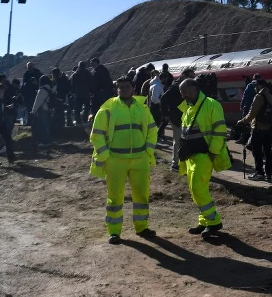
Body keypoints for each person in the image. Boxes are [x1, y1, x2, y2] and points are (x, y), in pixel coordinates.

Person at [88, 76, 158, 245]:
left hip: (139, 159)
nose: (124, 89)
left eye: (127, 86)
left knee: (142, 195)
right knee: (115, 197)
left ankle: (142, 227)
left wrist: (148, 151)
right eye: (121, 87)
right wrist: (106, 157)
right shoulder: (107, 109)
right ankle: (114, 232)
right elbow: (96, 135)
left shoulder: (142, 108)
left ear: (133, 88)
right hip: (116, 160)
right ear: (116, 90)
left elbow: (152, 130)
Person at [177, 77, 231, 239]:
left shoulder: (211, 105)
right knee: (195, 191)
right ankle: (205, 221)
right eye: (181, 92)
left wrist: (213, 152)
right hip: (191, 156)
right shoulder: (188, 107)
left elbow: (220, 130)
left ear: (195, 88)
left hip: (204, 155)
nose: (183, 95)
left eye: (185, 91)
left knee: (198, 188)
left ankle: (214, 222)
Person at [237, 78, 272, 182]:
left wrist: (242, 121)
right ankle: (269, 174)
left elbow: (252, 114)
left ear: (258, 86)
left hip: (258, 129)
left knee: (257, 152)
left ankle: (259, 173)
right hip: (269, 129)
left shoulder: (259, 97)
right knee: (268, 152)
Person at [161, 68, 196, 171]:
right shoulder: (175, 87)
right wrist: (165, 114)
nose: (192, 79)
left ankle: (184, 162)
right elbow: (163, 99)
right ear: (184, 76)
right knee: (178, 141)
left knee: (186, 141)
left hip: (186, 117)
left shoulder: (190, 87)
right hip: (176, 118)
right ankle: (175, 164)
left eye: (193, 77)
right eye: (190, 77)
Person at [0, 83, 16, 163]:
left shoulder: (0, 100)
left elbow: (0, 110)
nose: (3, 92)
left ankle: (11, 157)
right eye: (2, 91)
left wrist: (7, 107)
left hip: (0, 123)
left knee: (8, 138)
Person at [31, 75, 54, 148]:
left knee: (43, 126)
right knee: (47, 125)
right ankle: (48, 140)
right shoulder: (50, 89)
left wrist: (33, 111)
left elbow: (37, 102)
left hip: (43, 110)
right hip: (49, 109)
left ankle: (45, 142)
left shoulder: (42, 90)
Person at [237, 74, 259, 144]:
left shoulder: (250, 85)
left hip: (248, 107)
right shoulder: (262, 85)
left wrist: (241, 105)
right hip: (258, 107)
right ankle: (253, 139)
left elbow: (245, 96)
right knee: (256, 124)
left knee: (244, 123)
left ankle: (243, 139)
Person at [70, 61, 92, 125]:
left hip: (78, 94)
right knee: (87, 107)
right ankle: (84, 119)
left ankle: (78, 120)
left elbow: (72, 85)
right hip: (86, 93)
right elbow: (91, 83)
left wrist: (73, 92)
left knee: (77, 108)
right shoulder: (88, 73)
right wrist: (91, 91)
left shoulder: (75, 74)